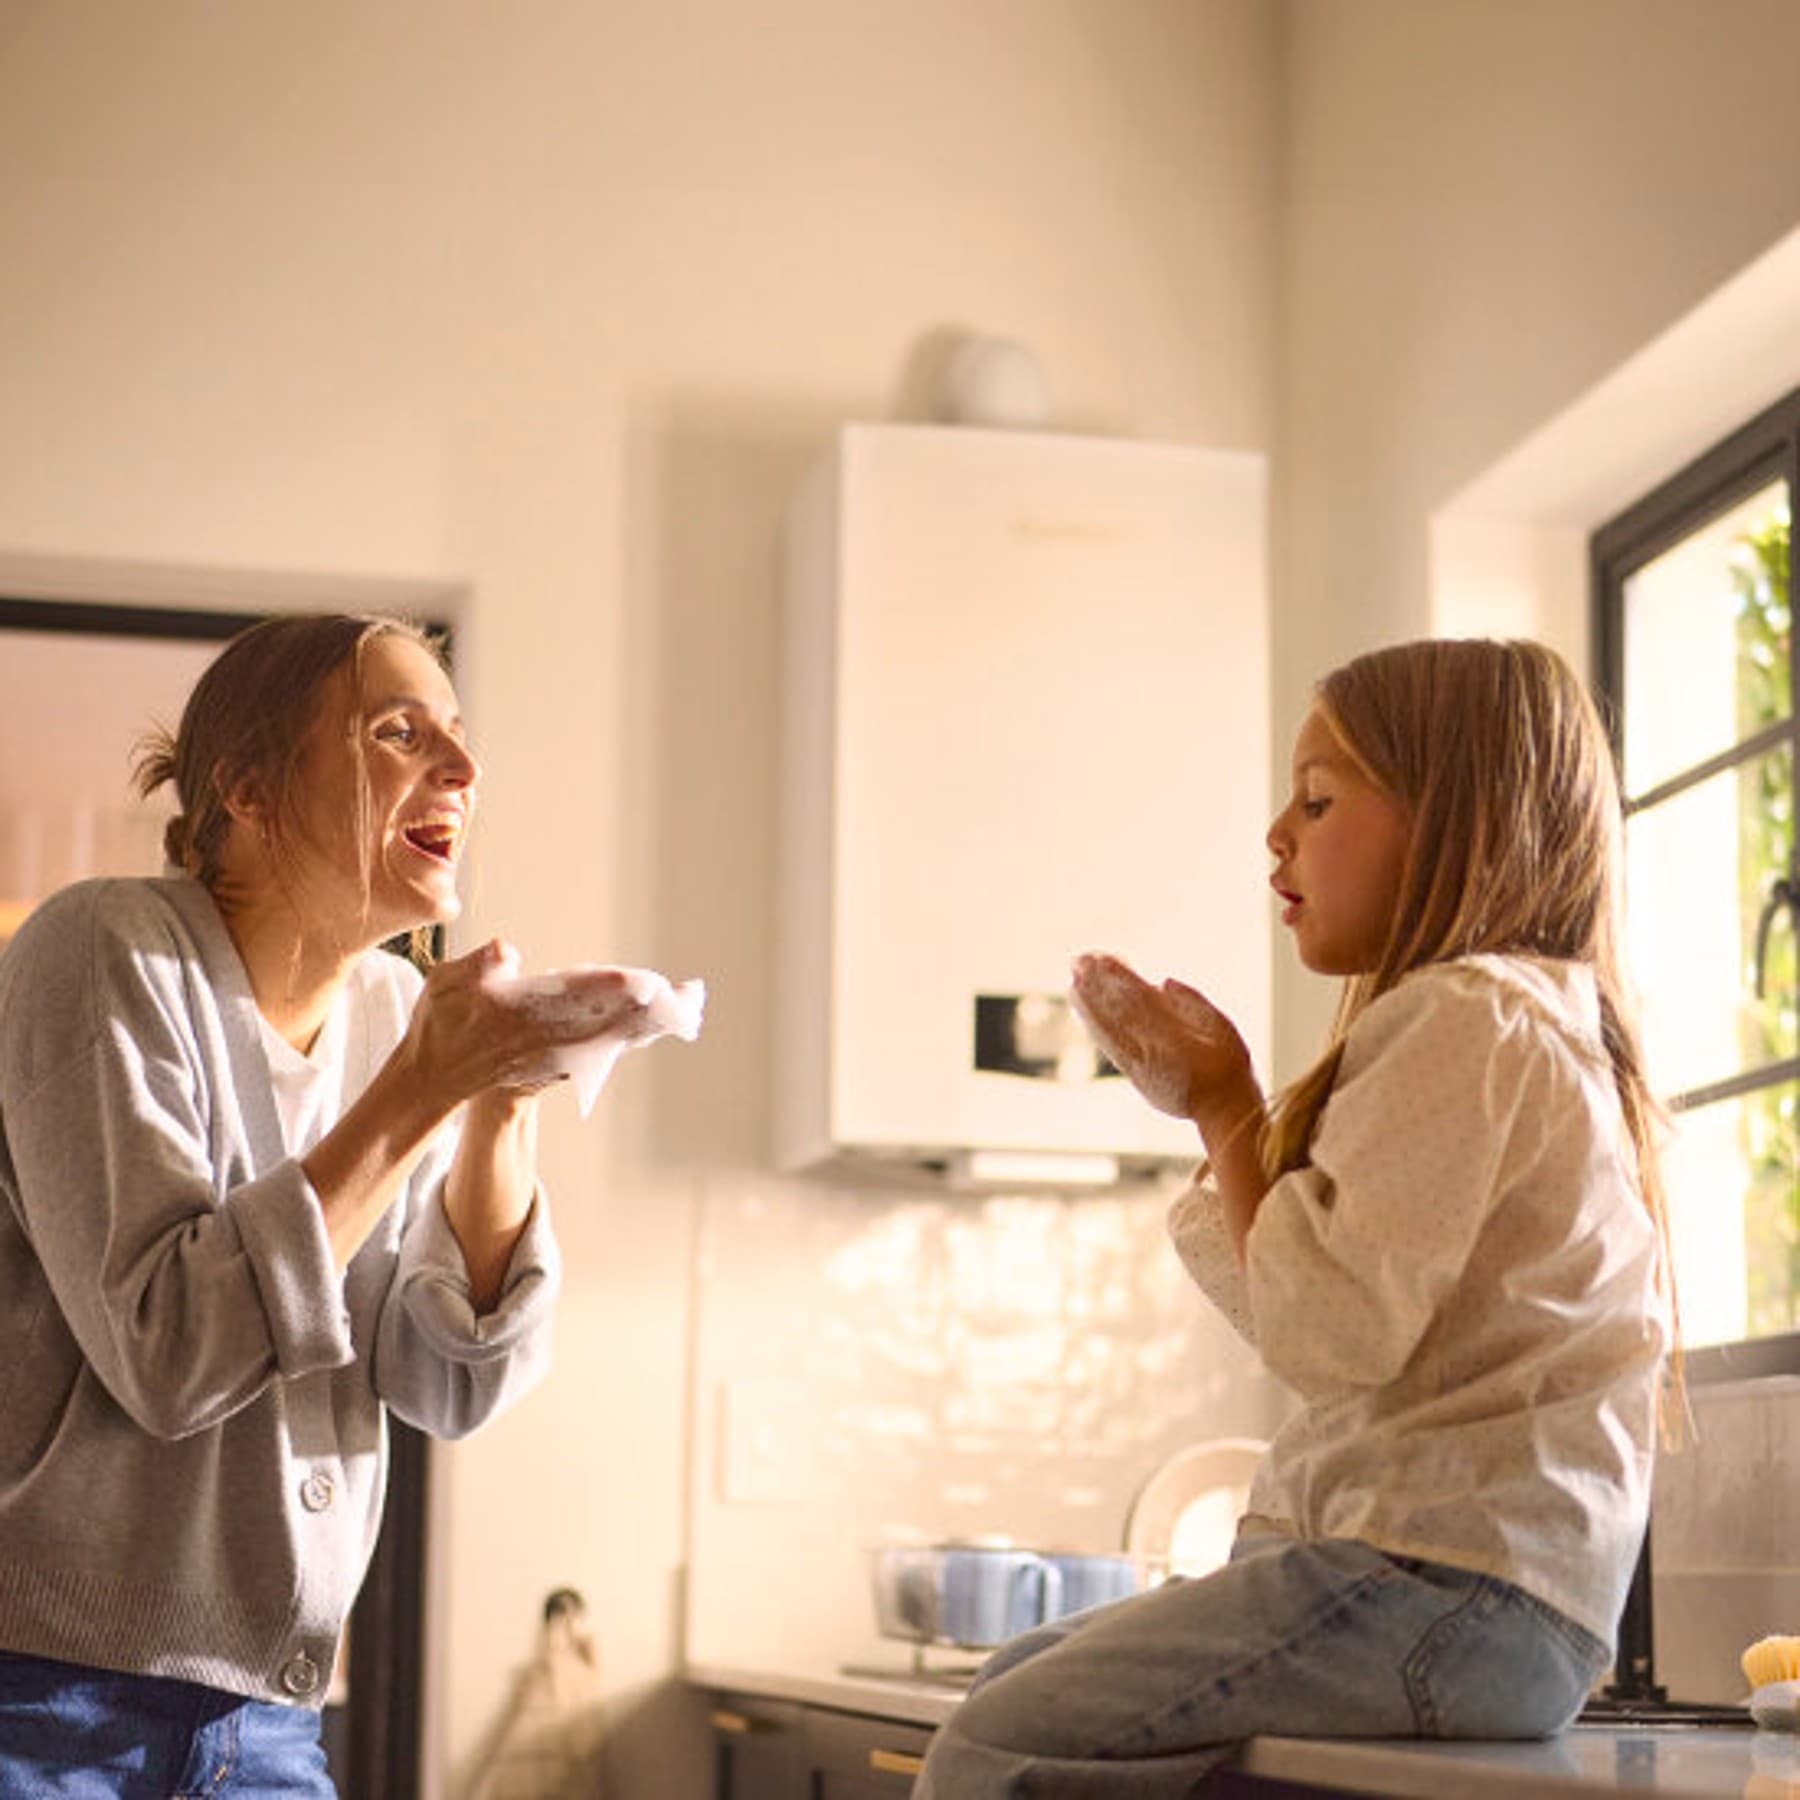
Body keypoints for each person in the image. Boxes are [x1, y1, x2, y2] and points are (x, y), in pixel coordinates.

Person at [913, 637, 1677, 1798]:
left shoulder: (1464, 1015)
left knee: (996, 1734)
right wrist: (1221, 1115)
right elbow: (1314, 1312)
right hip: (1494, 1610)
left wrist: (1225, 1105)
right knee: (1013, 1681)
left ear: (1454, 820)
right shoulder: (1530, 1022)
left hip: (1441, 1593)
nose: (1278, 831)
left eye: (1318, 798)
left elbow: (1320, 1337)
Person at [0, 613, 649, 1797]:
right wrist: (423, 1088)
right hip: (43, 1709)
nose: (462, 768)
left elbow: (447, 1381)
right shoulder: (105, 951)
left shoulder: (394, 1016)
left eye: (459, 737)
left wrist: (501, 1101)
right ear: (248, 790)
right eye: (401, 733)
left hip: (275, 1728)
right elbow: (169, 1351)